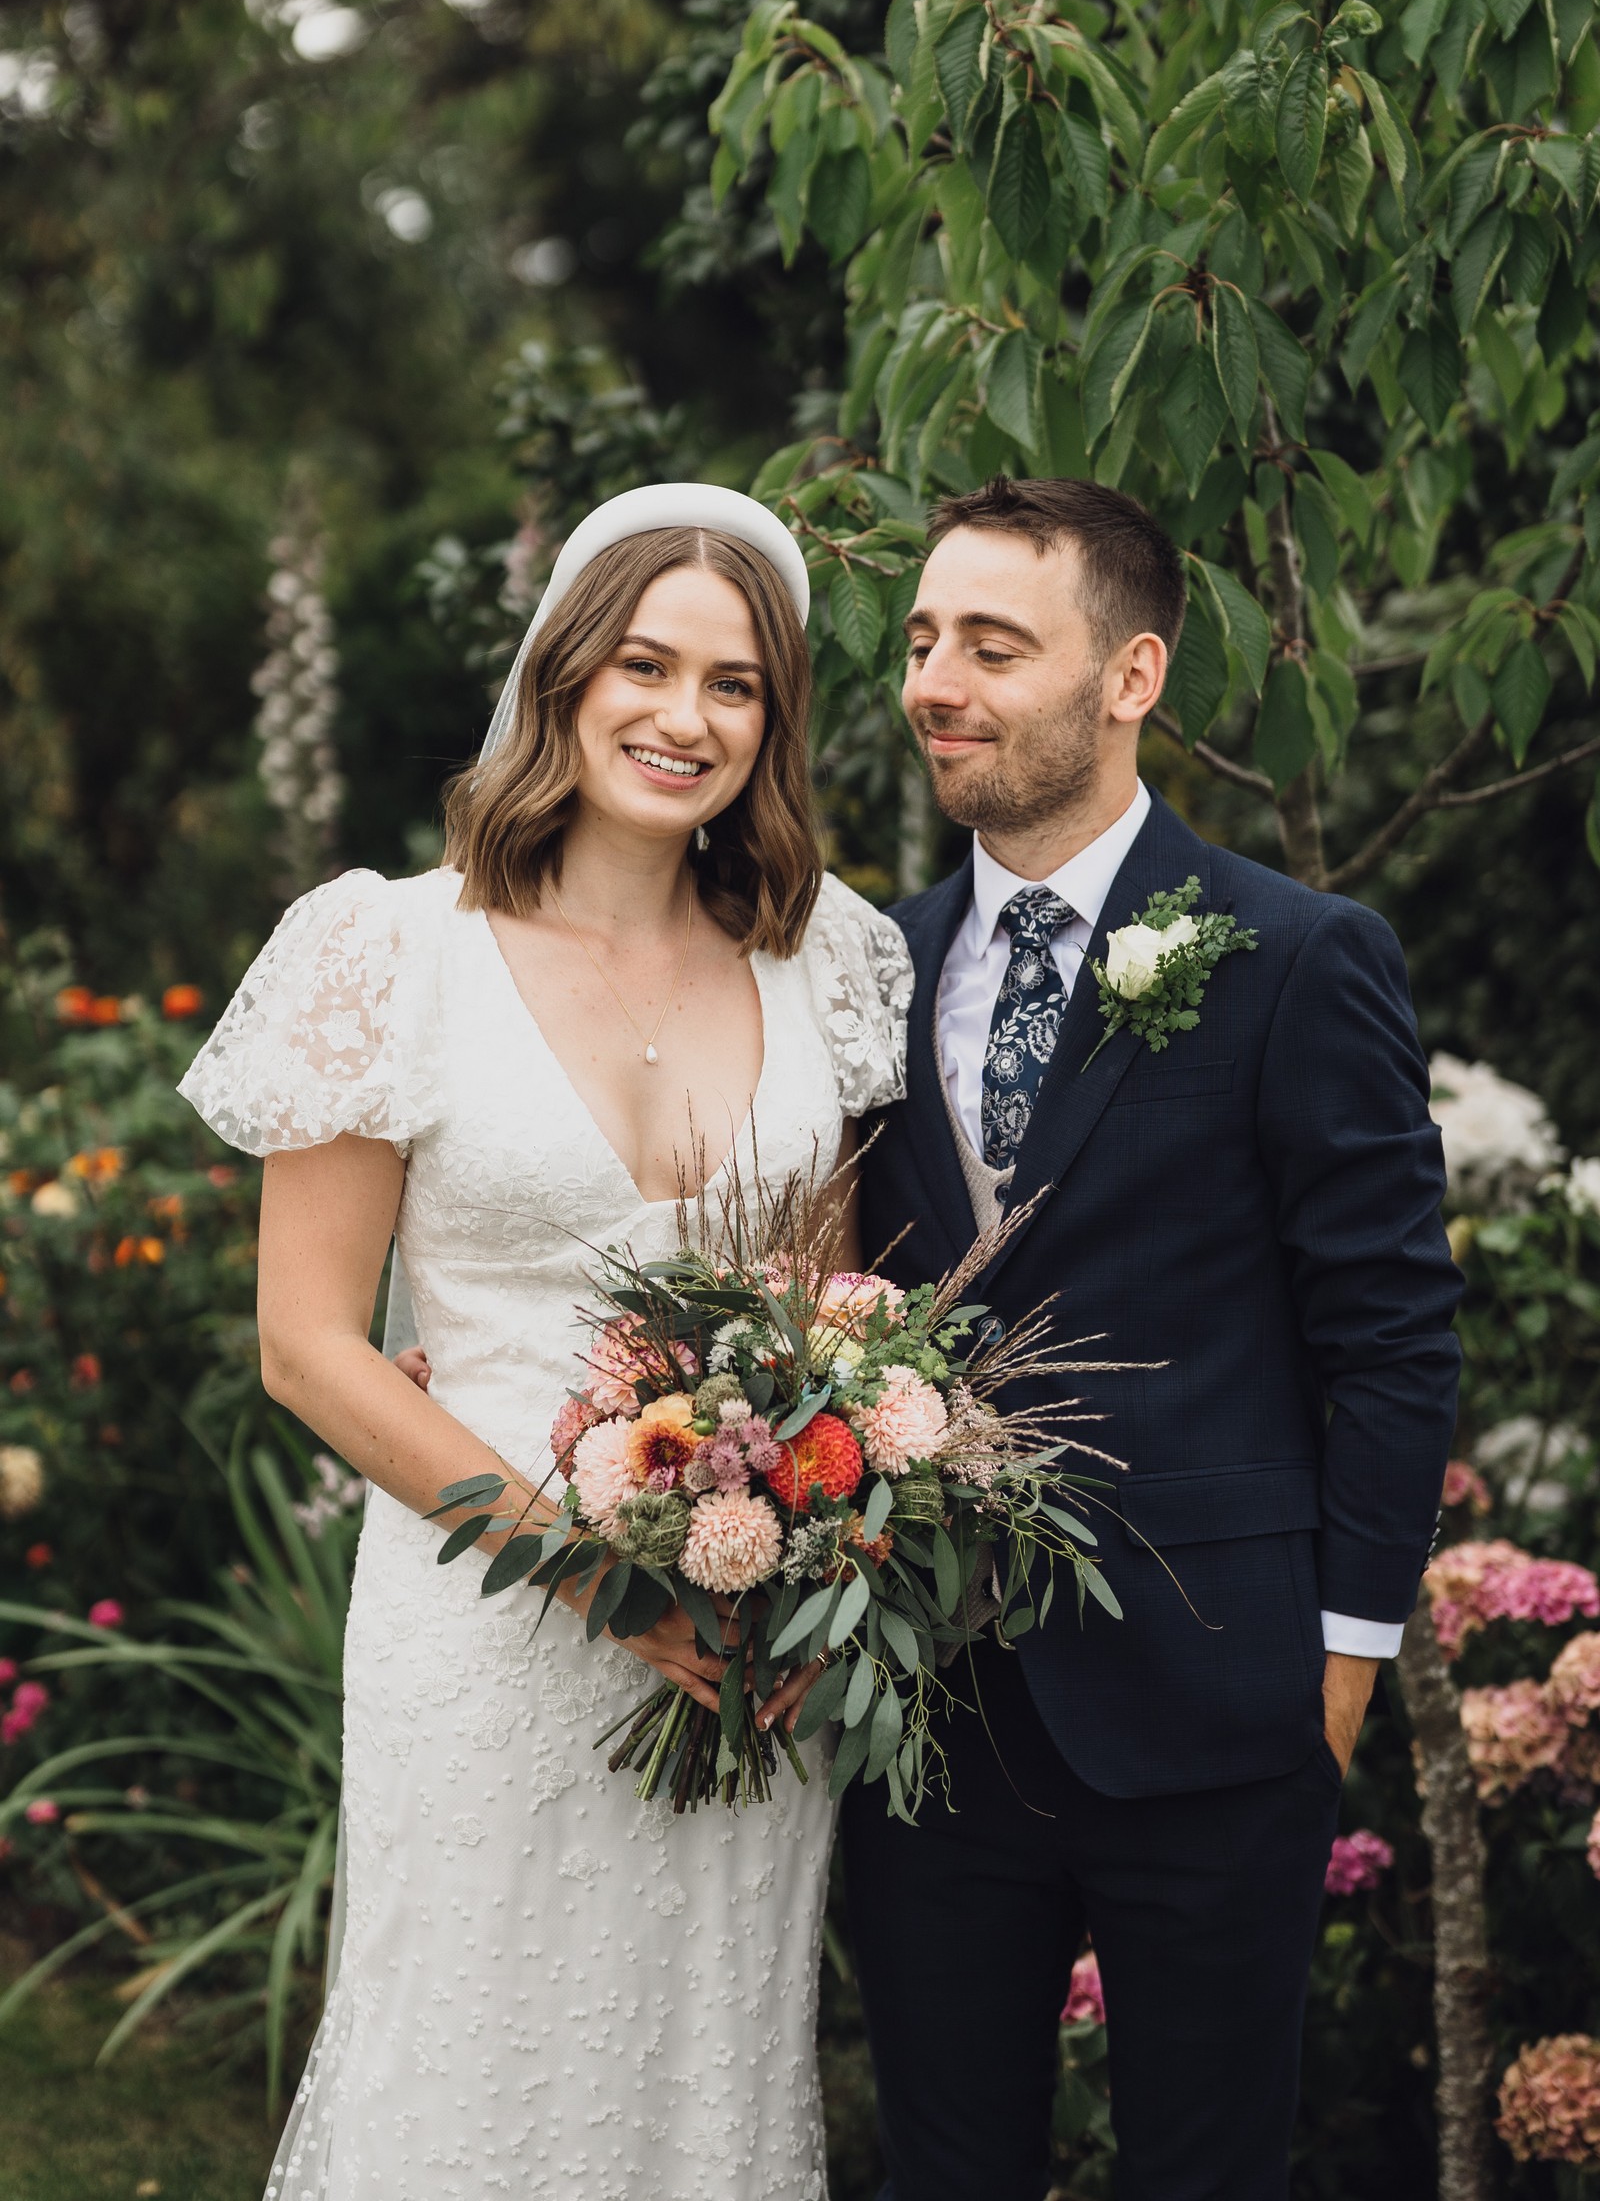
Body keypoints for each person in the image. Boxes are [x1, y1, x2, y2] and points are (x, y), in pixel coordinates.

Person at [179, 484, 911, 2201]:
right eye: (645, 665)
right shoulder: (391, 952)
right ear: (564, 676)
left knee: (706, 2078)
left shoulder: (828, 962)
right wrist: (600, 1579)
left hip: (748, 1642)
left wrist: (816, 1561)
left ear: (775, 721)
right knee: (473, 2079)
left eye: (735, 685)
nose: (685, 717)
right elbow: (307, 1342)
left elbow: (833, 1329)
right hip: (488, 1614)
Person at [844, 475, 1461, 2201]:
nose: (934, 683)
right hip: (932, 1711)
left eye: (990, 644)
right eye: (918, 640)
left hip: (1220, 1705)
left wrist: (1339, 1664)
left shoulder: (1297, 956)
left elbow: (1394, 1331)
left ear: (1130, 678)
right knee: (944, 2171)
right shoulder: (865, 972)